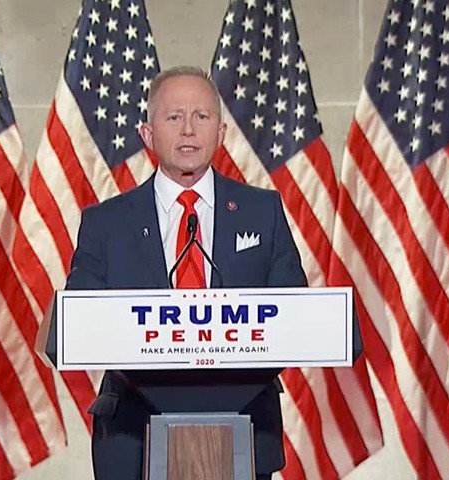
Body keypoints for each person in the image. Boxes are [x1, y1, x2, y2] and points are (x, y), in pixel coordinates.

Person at [61, 66, 343, 479]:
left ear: (221, 132)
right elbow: (75, 322)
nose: (189, 129)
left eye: (202, 116)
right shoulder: (106, 222)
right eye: (174, 117)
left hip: (244, 430)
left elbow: (294, 314)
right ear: (147, 134)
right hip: (132, 437)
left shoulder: (262, 212)